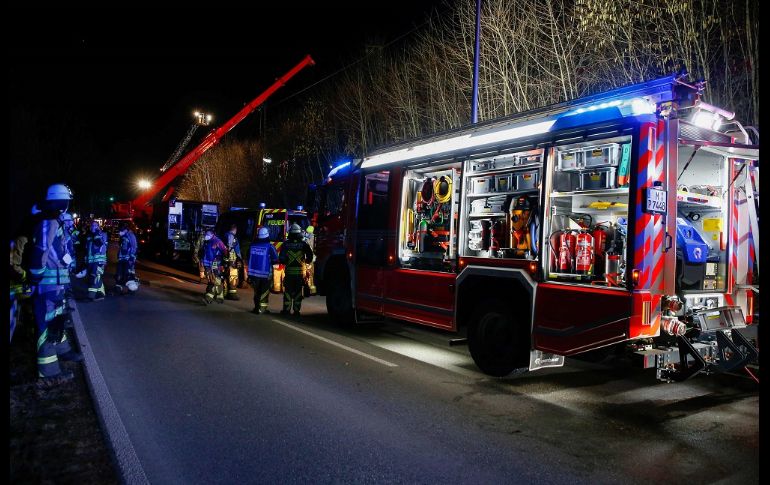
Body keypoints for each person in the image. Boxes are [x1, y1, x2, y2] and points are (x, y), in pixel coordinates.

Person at [27, 183, 81, 386]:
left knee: (57, 320)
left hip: (55, 284)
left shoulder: (54, 221)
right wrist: (35, 277)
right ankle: (49, 373)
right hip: (47, 285)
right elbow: (41, 250)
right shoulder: (48, 222)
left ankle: (62, 351)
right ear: (62, 202)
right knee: (46, 325)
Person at [279, 223, 314, 315]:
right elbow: (310, 256)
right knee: (298, 292)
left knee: (288, 291)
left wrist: (286, 261)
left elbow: (281, 259)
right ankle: (296, 310)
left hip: (289, 273)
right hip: (299, 274)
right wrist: (306, 261)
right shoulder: (304, 244)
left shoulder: (285, 244)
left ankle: (286, 310)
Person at [247, 227, 279, 314]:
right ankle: (262, 309)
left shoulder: (252, 246)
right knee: (264, 291)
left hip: (253, 273)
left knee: (257, 291)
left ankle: (257, 307)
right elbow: (275, 259)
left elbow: (248, 257)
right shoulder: (270, 247)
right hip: (265, 274)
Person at [202, 228, 227, 305]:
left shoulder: (217, 241)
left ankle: (208, 297)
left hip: (215, 264)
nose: (206, 236)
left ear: (212, 234)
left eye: (207, 235)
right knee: (213, 280)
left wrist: (224, 262)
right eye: (206, 235)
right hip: (208, 265)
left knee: (214, 280)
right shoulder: (207, 242)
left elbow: (225, 251)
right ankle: (220, 297)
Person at [84, 220, 108, 300]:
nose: (93, 227)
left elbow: (99, 244)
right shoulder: (89, 235)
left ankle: (92, 295)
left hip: (99, 260)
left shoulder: (102, 234)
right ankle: (100, 293)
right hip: (91, 260)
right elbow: (87, 248)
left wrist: (96, 234)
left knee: (95, 276)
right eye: (92, 225)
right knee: (94, 277)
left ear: (98, 226)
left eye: (95, 225)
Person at [115, 223, 138, 295]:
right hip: (122, 258)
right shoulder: (124, 236)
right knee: (119, 273)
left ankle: (132, 289)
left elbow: (134, 247)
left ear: (125, 229)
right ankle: (118, 288)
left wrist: (131, 258)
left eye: (121, 230)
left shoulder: (131, 235)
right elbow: (122, 247)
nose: (119, 232)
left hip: (128, 259)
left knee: (128, 274)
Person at [223, 224, 241, 300]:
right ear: (234, 229)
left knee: (225, 275)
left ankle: (224, 292)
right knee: (233, 276)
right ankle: (232, 294)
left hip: (225, 259)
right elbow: (232, 248)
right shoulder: (231, 236)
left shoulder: (225, 235)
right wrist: (239, 258)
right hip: (232, 260)